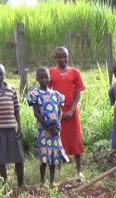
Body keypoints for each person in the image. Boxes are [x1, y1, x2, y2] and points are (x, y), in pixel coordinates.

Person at [27, 67, 69, 186]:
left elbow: (60, 111)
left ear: (49, 77)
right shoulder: (35, 94)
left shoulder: (56, 94)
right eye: (41, 78)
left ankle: (51, 181)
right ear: (37, 79)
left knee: (53, 155)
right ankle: (42, 181)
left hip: (55, 130)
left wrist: (58, 123)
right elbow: (36, 113)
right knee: (44, 155)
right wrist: (47, 125)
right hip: (43, 130)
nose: (44, 80)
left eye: (46, 77)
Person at [49, 47, 86, 180]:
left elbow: (78, 93)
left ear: (68, 56)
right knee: (59, 140)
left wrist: (71, 110)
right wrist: (58, 110)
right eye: (59, 57)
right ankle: (58, 171)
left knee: (76, 139)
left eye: (65, 56)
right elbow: (48, 93)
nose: (62, 59)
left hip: (72, 112)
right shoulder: (51, 72)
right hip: (57, 112)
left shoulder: (74, 72)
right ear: (55, 58)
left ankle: (78, 171)